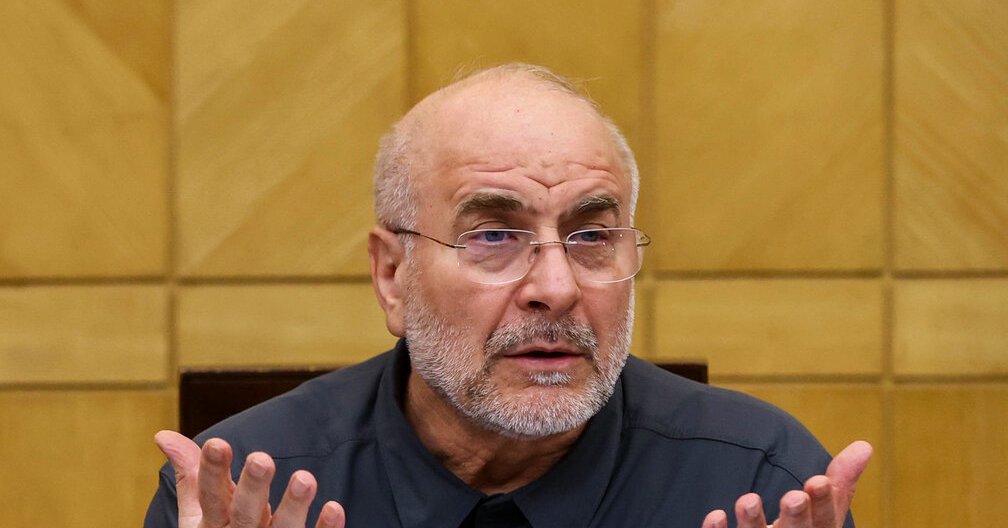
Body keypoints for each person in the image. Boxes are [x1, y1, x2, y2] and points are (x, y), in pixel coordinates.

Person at [145, 63, 872, 528]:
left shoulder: (761, 482)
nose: (556, 288)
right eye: (494, 235)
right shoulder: (242, 496)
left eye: (592, 235)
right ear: (393, 275)